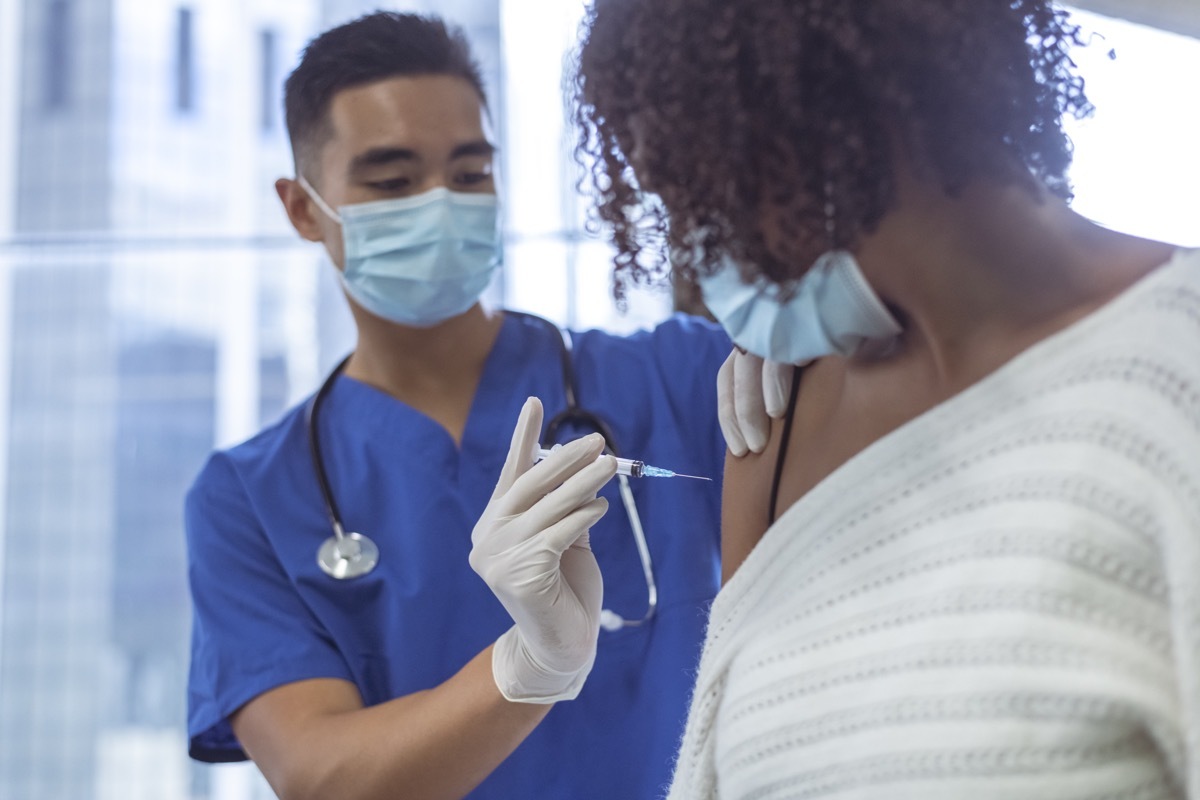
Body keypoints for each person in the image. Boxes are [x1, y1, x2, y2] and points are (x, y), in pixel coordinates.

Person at [574, 1, 1200, 798]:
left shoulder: (1173, 375)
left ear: (798, 129)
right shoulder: (784, 416)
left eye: (698, 194)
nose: (701, 256)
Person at [184, 12, 731, 799]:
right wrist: (529, 664)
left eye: (470, 173)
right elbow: (320, 776)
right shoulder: (250, 497)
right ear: (304, 209)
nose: (440, 204)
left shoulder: (678, 379)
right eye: (393, 180)